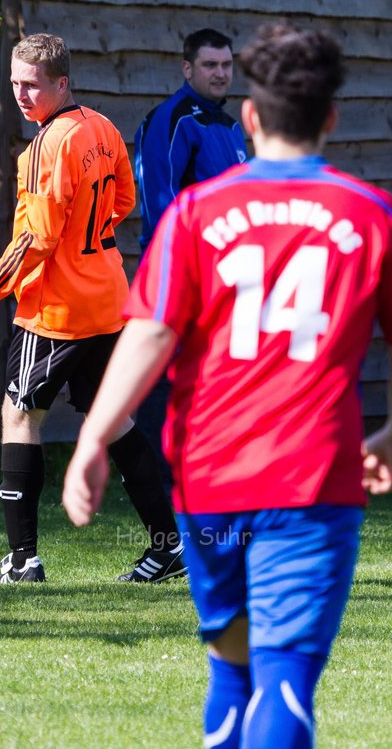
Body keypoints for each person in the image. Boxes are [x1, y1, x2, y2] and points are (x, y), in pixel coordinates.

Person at [62, 23, 392, 748]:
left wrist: (93, 437)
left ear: (253, 119)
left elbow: (148, 337)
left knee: (231, 671)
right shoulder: (371, 213)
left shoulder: (198, 216)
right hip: (312, 479)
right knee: (285, 679)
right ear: (329, 118)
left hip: (210, 480)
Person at [0, 33, 182, 585]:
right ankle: (168, 547)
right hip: (107, 298)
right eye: (14, 82)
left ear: (62, 83)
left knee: (19, 416)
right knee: (115, 419)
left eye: (32, 84)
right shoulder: (102, 128)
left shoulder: (44, 147)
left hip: (55, 310)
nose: (21, 93)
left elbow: (35, 239)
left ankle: (22, 560)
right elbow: (125, 200)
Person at [132, 28, 248, 476]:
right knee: (164, 381)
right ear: (187, 68)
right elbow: (161, 204)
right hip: (178, 277)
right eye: (209, 65)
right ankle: (156, 485)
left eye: (226, 65)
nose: (220, 74)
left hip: (228, 278)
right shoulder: (171, 119)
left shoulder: (229, 126)